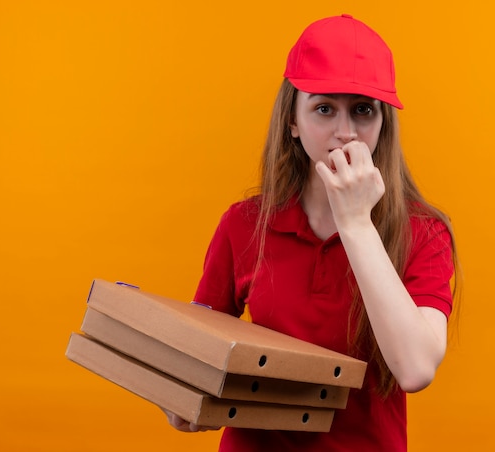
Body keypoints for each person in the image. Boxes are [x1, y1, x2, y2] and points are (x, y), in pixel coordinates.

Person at [164, 13, 458, 451]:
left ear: (383, 124)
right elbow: (194, 353)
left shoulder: (425, 233)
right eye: (324, 109)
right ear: (293, 122)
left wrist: (357, 224)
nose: (344, 132)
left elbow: (415, 369)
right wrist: (183, 397)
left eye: (363, 110)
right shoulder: (244, 225)